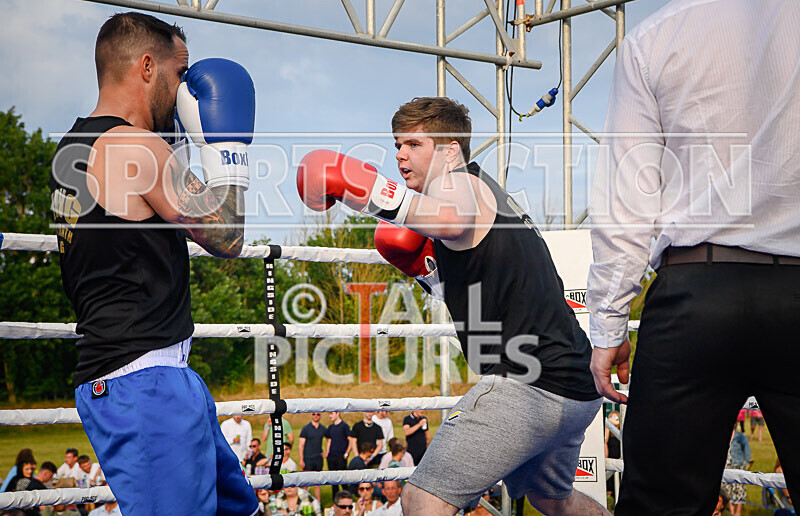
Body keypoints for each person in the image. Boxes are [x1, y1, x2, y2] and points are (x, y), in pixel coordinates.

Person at [297, 96, 605, 515]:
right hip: (577, 388)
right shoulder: (488, 195)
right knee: (553, 498)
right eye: (397, 145)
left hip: (530, 383)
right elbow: (478, 295)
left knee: (422, 499)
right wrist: (429, 275)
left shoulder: (457, 186)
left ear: (449, 150)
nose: (401, 155)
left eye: (414, 144)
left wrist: (362, 189)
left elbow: (451, 219)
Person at [586, 2, 800, 514]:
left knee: (661, 504)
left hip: (694, 294)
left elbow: (627, 197)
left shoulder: (655, 37)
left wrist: (608, 324)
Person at [49, 11, 258, 515]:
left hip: (140, 377)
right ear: (147, 67)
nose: (186, 88)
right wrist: (226, 150)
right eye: (180, 73)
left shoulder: (72, 149)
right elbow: (227, 234)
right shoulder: (136, 148)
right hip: (145, 386)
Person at [722, 427, 751, 516]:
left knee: (740, 489)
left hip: (738, 465)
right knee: (726, 489)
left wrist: (744, 464)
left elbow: (747, 451)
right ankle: (732, 512)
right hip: (726, 466)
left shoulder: (740, 436)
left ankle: (738, 513)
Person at [299, 412, 327, 502]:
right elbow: (301, 445)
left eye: (318, 414)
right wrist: (301, 459)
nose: (316, 416)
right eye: (314, 414)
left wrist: (327, 451)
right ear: (311, 415)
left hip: (318, 459)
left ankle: (317, 503)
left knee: (317, 482)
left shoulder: (323, 429)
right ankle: (303, 502)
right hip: (307, 458)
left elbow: (330, 439)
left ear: (320, 416)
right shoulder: (306, 429)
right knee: (306, 482)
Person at [325, 411, 353, 496]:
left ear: (338, 413)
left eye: (332, 413)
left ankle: (347, 497)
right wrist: (327, 453)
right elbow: (329, 441)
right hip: (331, 457)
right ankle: (336, 501)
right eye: (329, 414)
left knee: (343, 480)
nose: (330, 416)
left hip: (341, 457)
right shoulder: (330, 427)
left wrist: (346, 453)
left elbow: (351, 441)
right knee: (333, 481)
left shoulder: (344, 426)